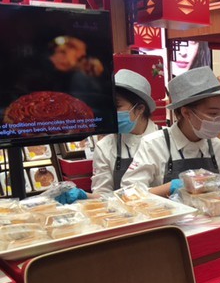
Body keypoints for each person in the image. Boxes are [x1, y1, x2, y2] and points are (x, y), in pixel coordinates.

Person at [121, 66, 220, 196]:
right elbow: (129, 192)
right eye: (213, 113)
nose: (219, 120)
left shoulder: (219, 148)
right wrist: (170, 188)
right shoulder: (153, 145)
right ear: (186, 113)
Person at [56, 69, 159, 203]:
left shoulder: (164, 140)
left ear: (140, 109)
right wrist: (87, 196)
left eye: (116, 106)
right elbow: (103, 195)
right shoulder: (105, 146)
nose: (110, 113)